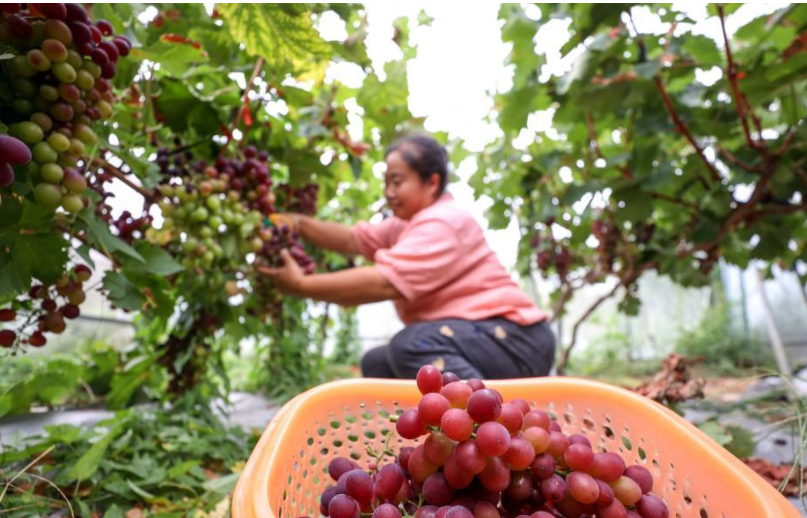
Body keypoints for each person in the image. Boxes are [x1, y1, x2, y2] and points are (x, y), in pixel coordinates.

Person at [259, 134, 555, 380]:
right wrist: (298, 223)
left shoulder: (443, 223)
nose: (389, 192)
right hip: (485, 339)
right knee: (377, 362)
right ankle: (425, 447)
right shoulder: (408, 225)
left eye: (397, 181)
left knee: (412, 345)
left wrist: (300, 285)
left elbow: (383, 282)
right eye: (386, 182)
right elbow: (352, 239)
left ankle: (492, 431)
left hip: (518, 341)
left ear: (432, 182)